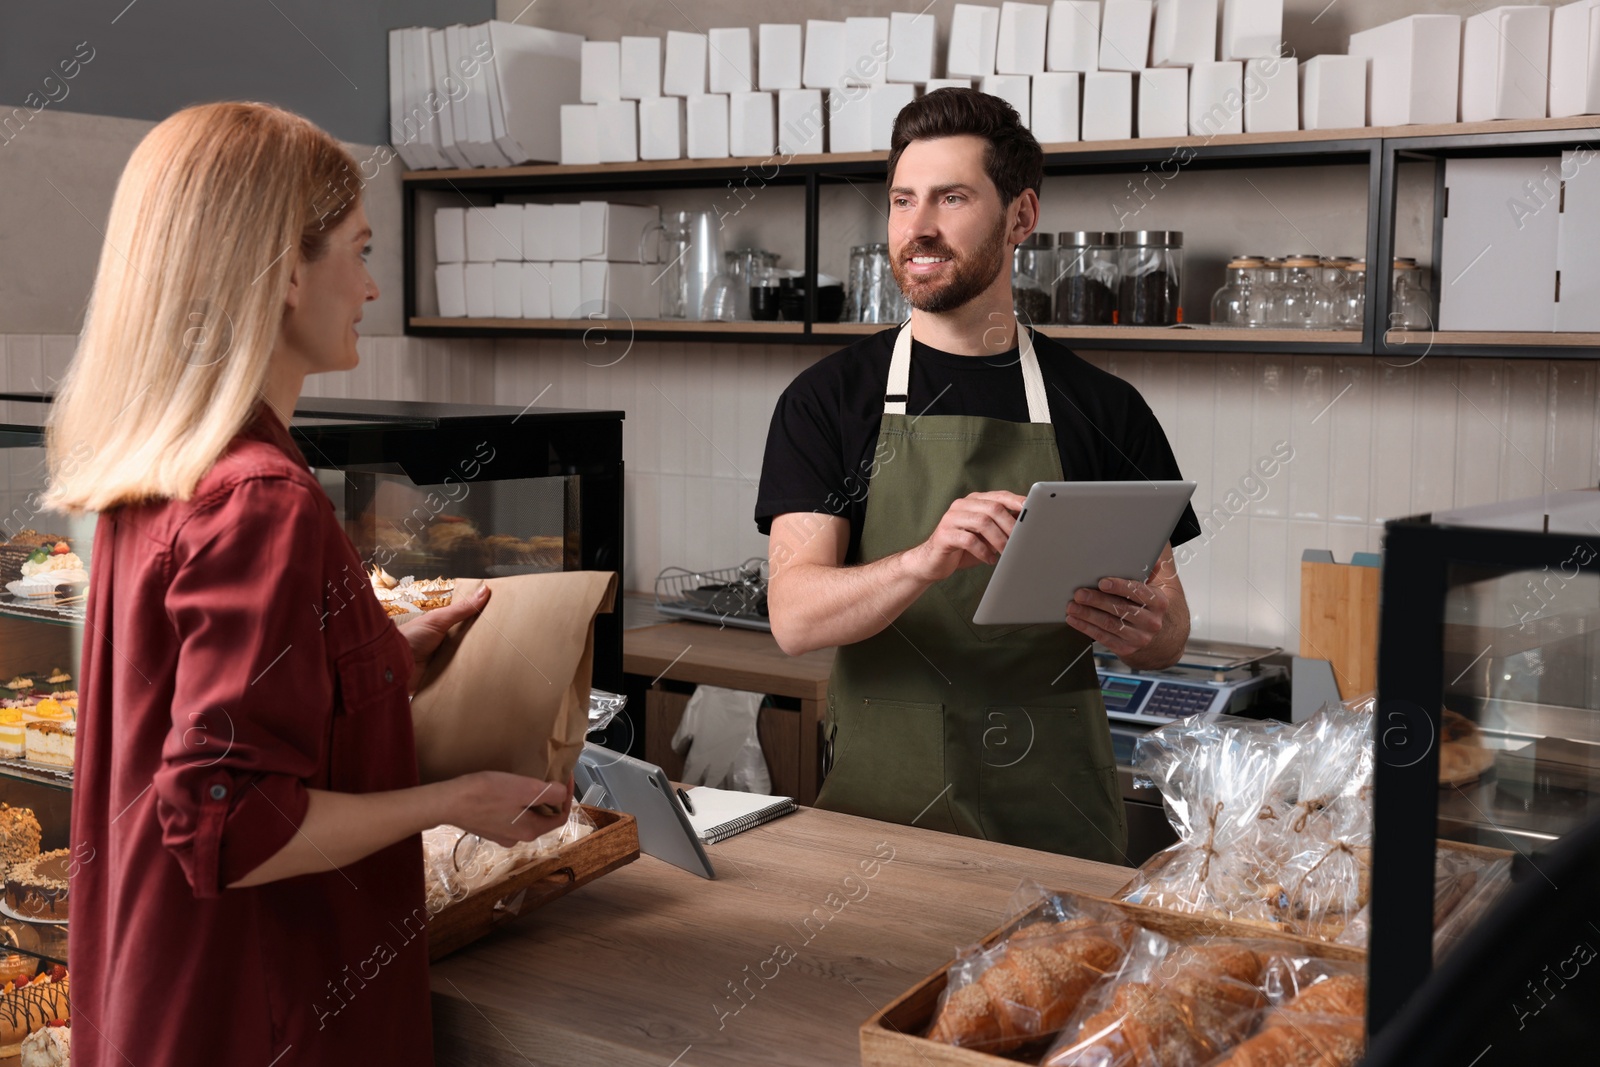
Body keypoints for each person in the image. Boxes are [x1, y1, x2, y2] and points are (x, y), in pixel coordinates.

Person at [45, 102, 572, 1066]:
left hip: (151, 1002)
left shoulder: (150, 470)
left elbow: (191, 720)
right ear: (286, 272)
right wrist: (452, 799)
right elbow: (228, 825)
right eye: (359, 249)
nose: (371, 285)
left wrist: (370, 666)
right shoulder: (262, 499)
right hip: (265, 1019)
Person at [756, 89, 1201, 865]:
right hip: (882, 818)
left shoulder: (1104, 407)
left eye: (951, 198)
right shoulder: (829, 401)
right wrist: (922, 561)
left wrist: (1144, 627)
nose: (917, 227)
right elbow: (794, 618)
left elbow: (1169, 634)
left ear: (1021, 218)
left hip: (1055, 816)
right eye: (902, 200)